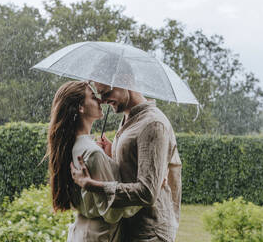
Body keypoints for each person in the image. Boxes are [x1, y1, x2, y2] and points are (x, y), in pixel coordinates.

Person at [70, 81, 182, 242]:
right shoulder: (129, 118)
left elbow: (147, 192)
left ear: (126, 81)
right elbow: (133, 169)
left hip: (149, 232)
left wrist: (92, 185)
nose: (102, 100)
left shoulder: (152, 124)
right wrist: (111, 156)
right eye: (99, 94)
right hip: (130, 227)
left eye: (106, 93)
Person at [45, 80, 141, 242]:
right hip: (99, 236)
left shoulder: (73, 147)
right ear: (80, 108)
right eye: (93, 97)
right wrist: (150, 192)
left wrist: (108, 159)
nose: (100, 100)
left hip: (82, 232)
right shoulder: (92, 152)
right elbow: (113, 211)